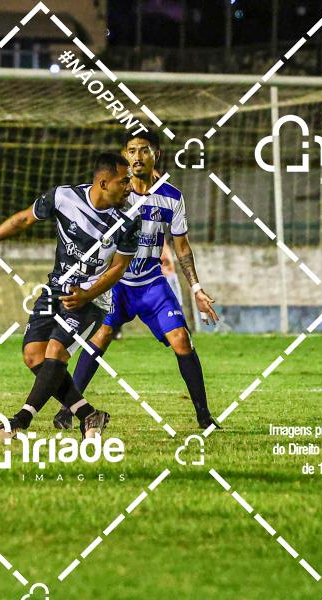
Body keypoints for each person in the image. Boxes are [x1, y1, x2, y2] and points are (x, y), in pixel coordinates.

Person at [0, 152, 140, 440]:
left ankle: (20, 420)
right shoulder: (64, 197)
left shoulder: (130, 219)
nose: (129, 187)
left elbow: (118, 268)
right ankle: (88, 414)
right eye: (123, 181)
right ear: (103, 183)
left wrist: (87, 294)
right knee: (33, 356)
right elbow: (22, 220)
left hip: (92, 299)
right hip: (55, 289)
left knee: (56, 351)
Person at [53, 131, 221, 430]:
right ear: (124, 156)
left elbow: (182, 247)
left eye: (144, 150)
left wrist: (196, 288)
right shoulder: (117, 193)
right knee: (100, 336)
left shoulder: (172, 197)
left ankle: (204, 416)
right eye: (131, 151)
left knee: (181, 340)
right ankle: (68, 409)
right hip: (115, 282)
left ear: (156, 154)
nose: (137, 156)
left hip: (151, 283)